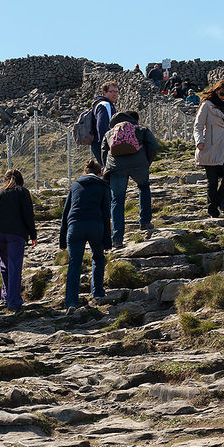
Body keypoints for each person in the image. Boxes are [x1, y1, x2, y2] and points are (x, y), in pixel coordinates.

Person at [59, 159, 111, 313]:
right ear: (99, 173)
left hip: (75, 226)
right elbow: (106, 215)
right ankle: (97, 293)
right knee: (98, 257)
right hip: (95, 225)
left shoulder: (75, 185)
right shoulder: (103, 186)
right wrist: (108, 242)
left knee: (74, 264)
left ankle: (71, 303)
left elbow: (65, 214)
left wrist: (62, 241)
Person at [102, 110, 159, 248]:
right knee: (144, 187)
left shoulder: (109, 133)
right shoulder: (141, 129)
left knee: (117, 200)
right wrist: (146, 161)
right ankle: (145, 222)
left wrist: (108, 168)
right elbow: (154, 146)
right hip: (139, 165)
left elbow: (103, 152)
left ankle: (117, 239)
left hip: (116, 168)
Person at [0, 169, 37, 312]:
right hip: (15, 234)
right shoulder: (22, 192)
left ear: (4, 179)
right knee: (15, 266)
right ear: (21, 180)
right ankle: (14, 301)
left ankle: (5, 296)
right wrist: (33, 235)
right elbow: (28, 215)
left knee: (5, 264)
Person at [194, 79, 224, 218]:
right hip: (210, 147)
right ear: (216, 91)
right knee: (212, 182)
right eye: (222, 93)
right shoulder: (207, 105)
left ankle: (219, 200)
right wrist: (199, 141)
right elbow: (198, 126)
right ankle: (213, 211)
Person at [91, 80, 119, 166]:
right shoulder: (105, 105)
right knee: (111, 172)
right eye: (111, 91)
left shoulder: (102, 104)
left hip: (98, 144)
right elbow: (102, 126)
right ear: (104, 92)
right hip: (103, 145)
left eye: (116, 92)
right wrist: (107, 146)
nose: (115, 94)